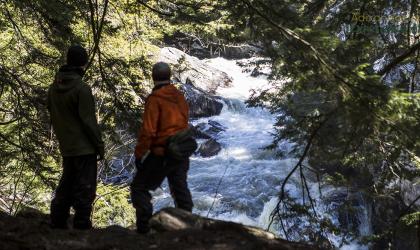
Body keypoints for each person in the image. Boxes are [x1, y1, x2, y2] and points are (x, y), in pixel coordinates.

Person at [131, 62, 193, 234]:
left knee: (139, 188)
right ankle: (186, 227)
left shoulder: (155, 99)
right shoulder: (179, 95)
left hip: (162, 153)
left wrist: (139, 154)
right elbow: (185, 121)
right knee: (180, 188)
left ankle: (144, 228)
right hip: (181, 150)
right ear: (169, 75)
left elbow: (148, 131)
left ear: (153, 77)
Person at [47, 45, 104, 230]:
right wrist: (99, 145)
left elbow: (52, 112)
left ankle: (57, 220)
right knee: (85, 188)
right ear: (84, 63)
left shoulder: (53, 88)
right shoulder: (81, 88)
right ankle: (81, 224)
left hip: (67, 145)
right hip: (84, 148)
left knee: (67, 182)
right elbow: (89, 122)